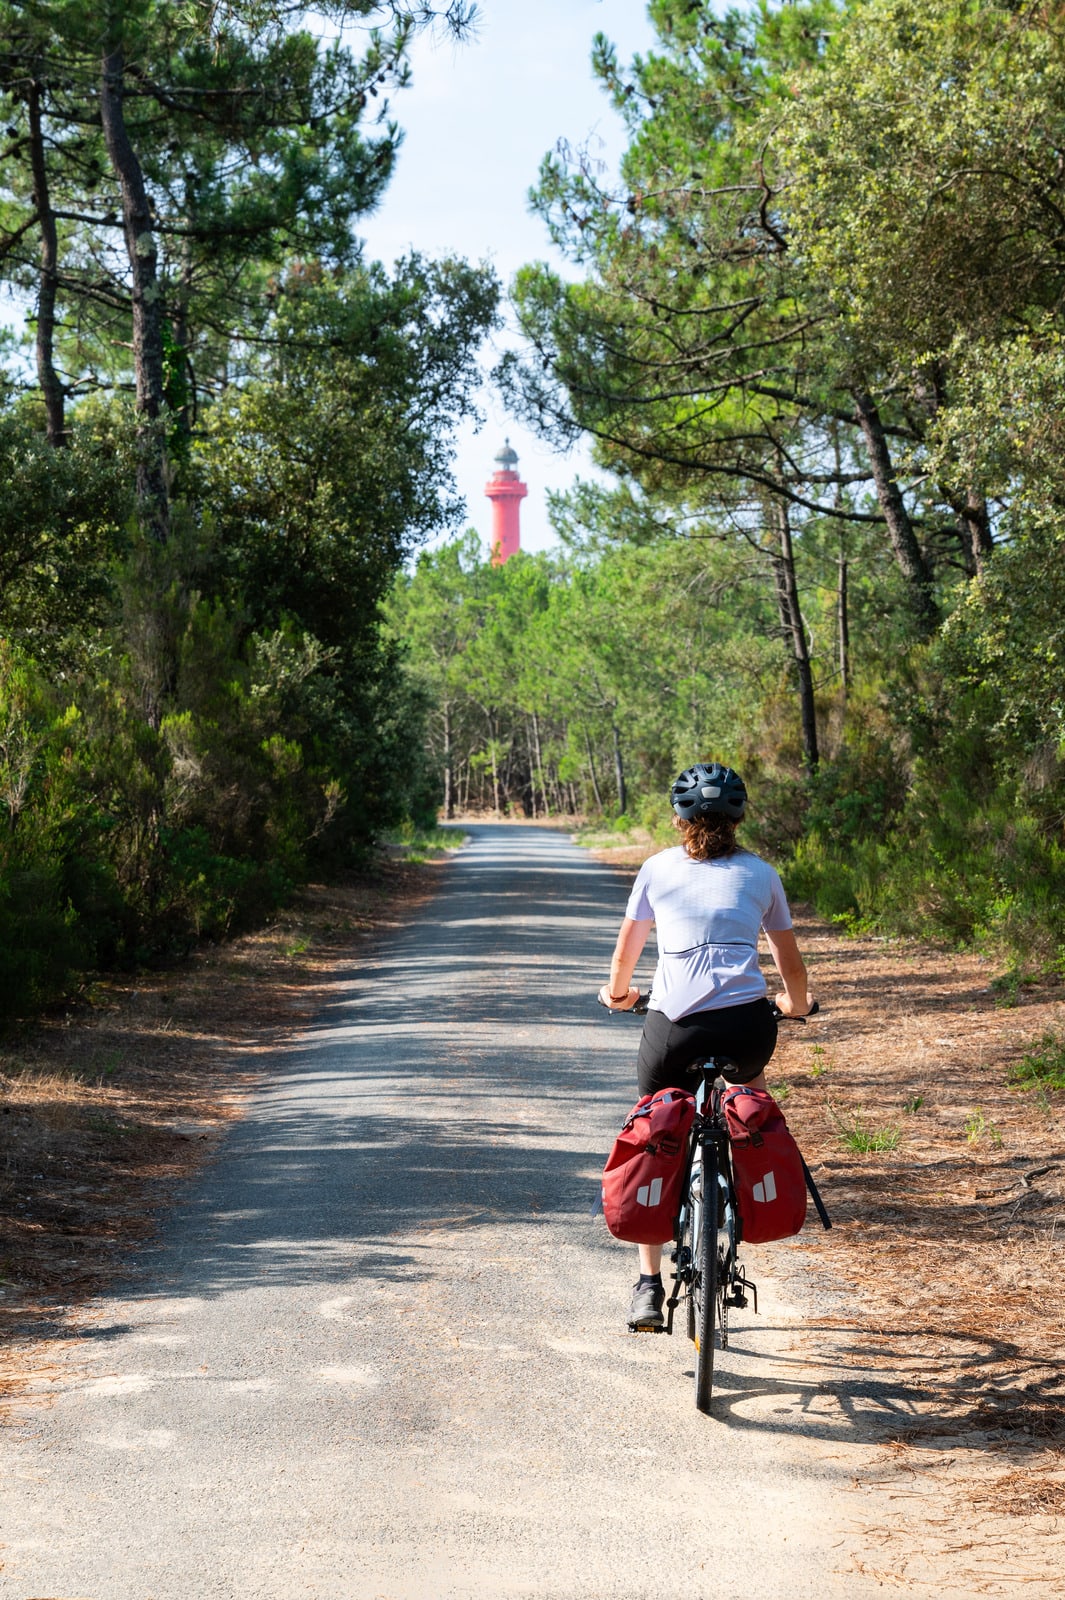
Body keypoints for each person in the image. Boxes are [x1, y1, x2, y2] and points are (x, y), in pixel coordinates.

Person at [598, 761, 814, 1330]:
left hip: (676, 1029)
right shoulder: (762, 874)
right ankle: (748, 1201)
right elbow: (789, 962)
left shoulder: (655, 869)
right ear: (739, 819)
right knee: (751, 1108)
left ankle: (649, 1284)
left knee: (653, 1127)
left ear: (678, 819)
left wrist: (618, 995)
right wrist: (796, 1005)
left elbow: (625, 959)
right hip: (746, 1028)